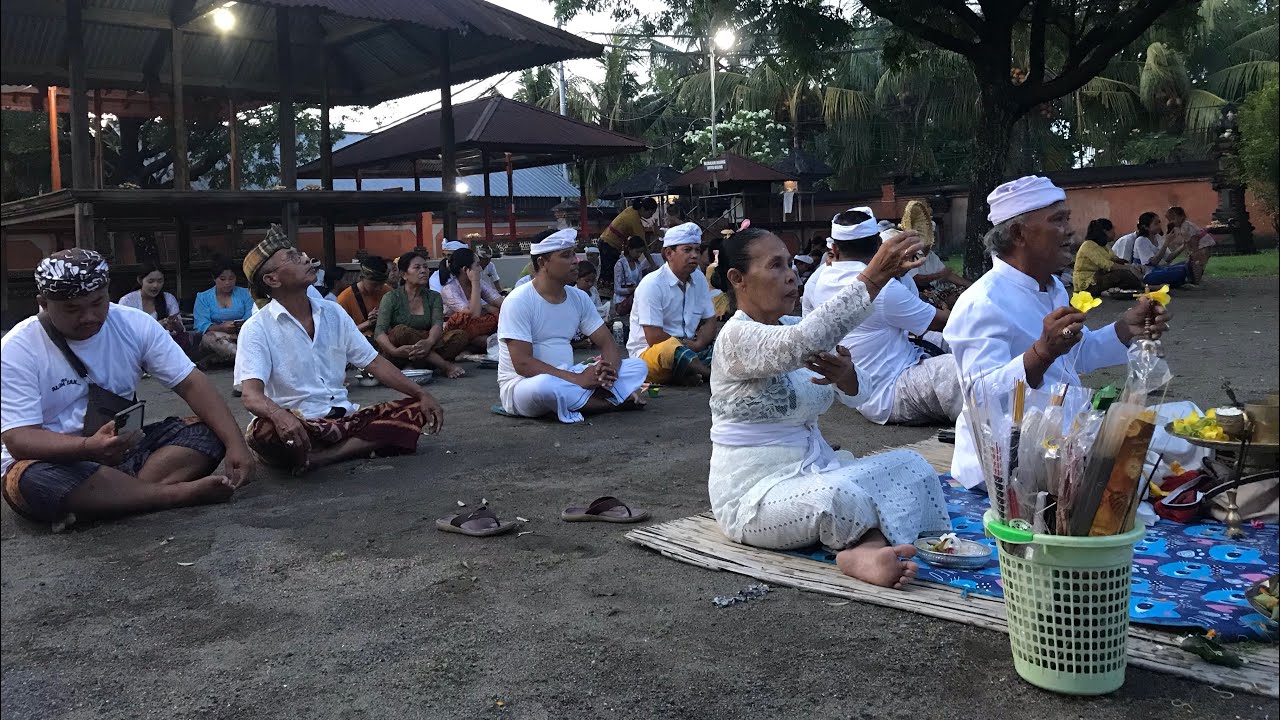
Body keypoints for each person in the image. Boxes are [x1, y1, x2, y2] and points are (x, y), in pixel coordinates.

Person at [707, 226, 947, 588]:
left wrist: (847, 376)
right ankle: (863, 548)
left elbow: (859, 394)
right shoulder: (736, 338)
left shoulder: (794, 326)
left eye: (790, 264)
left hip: (816, 469)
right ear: (738, 279)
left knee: (911, 466)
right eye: (775, 266)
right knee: (838, 496)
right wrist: (873, 276)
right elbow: (802, 342)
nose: (791, 275)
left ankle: (866, 544)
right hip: (754, 497)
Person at [944, 176, 1169, 489]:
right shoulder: (981, 303)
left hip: (1061, 435)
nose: (1070, 230)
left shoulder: (1052, 289)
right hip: (1007, 461)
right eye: (1058, 220)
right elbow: (981, 397)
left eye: (1068, 219)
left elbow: (1075, 354)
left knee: (1169, 428)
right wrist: (1041, 353)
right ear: (1018, 233)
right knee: (1150, 458)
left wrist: (1126, 328)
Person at [1, 249, 255, 527]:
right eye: (73, 309)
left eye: (98, 303)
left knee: (208, 431)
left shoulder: (134, 324)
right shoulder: (17, 348)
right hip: (58, 462)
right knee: (30, 479)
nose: (89, 316)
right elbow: (18, 438)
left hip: (122, 449)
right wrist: (87, 447)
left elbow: (191, 383)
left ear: (108, 291)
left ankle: (112, 499)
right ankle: (172, 494)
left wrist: (236, 445)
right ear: (43, 303)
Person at [235, 234, 444, 475]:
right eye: (293, 257)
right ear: (272, 279)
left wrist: (421, 393)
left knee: (416, 409)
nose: (306, 259)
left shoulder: (332, 312)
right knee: (264, 432)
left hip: (344, 419)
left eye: (301, 254)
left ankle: (324, 456)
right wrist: (281, 417)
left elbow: (374, 362)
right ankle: (347, 447)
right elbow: (251, 396)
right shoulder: (256, 328)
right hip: (297, 425)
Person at [808, 208, 962, 426]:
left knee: (950, 344)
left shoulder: (821, 278)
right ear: (880, 247)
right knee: (962, 367)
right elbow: (944, 323)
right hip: (889, 391)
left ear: (834, 248)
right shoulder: (884, 290)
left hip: (866, 385)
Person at [496, 233, 649, 422]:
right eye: (566, 255)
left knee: (637, 366)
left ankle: (586, 399)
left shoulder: (579, 297)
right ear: (543, 262)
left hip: (569, 374)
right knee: (546, 387)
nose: (576, 261)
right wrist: (578, 379)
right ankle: (611, 403)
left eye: (574, 254)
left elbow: (607, 342)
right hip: (524, 385)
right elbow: (523, 364)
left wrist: (608, 373)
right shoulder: (518, 301)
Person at [627, 222, 718, 385]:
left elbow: (710, 320)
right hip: (651, 354)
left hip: (691, 349)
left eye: (697, 250)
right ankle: (710, 376)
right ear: (669, 253)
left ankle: (690, 371)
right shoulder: (652, 284)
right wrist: (685, 348)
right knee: (670, 349)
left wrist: (698, 344)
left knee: (724, 346)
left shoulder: (699, 278)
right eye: (687, 250)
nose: (695, 255)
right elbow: (654, 336)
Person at [373, 252, 467, 379]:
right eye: (417, 267)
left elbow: (437, 325)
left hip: (427, 344)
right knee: (401, 331)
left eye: (425, 267)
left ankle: (416, 366)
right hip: (399, 351)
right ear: (404, 274)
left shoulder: (433, 296)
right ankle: (444, 366)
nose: (424, 271)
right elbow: (379, 332)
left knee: (460, 335)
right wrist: (393, 351)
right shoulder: (391, 297)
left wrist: (429, 341)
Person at [118, 262, 197, 358]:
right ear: (140, 280)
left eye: (160, 281)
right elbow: (124, 331)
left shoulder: (168, 299)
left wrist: (174, 324)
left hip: (163, 345)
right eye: (151, 281)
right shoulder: (127, 301)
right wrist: (158, 324)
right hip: (136, 346)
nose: (155, 286)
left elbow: (180, 330)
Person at [439, 247, 504, 355]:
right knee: (466, 322)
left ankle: (474, 348)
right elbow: (474, 314)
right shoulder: (449, 289)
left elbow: (502, 303)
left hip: (478, 330)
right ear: (465, 270)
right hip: (457, 333)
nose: (481, 269)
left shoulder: (480, 283)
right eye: (477, 265)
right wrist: (475, 281)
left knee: (499, 313)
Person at [194, 257, 254, 365]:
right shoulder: (203, 297)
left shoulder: (246, 294)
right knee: (210, 338)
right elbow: (200, 325)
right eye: (222, 279)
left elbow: (251, 316)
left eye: (231, 279)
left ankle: (219, 358)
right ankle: (245, 359)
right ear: (214, 278)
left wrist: (238, 326)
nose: (227, 283)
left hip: (241, 335)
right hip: (217, 338)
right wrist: (221, 328)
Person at [1114, 212, 1191, 287]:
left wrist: (1183, 246)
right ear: (1146, 227)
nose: (1159, 226)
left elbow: (1168, 258)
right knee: (1181, 270)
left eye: (1159, 223)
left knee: (1187, 263)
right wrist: (1166, 243)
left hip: (1158, 270)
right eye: (1156, 224)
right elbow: (1153, 262)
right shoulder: (1141, 240)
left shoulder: (1158, 238)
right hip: (1147, 274)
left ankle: (1179, 280)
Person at [599, 197, 658, 289]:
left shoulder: (630, 210)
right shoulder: (634, 220)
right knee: (609, 274)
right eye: (650, 213)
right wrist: (653, 264)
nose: (650, 217)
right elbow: (644, 245)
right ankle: (606, 294)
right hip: (610, 245)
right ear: (643, 209)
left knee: (607, 273)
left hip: (606, 241)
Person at [1073, 219, 1144, 295]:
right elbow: (1108, 265)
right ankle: (1146, 287)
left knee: (1127, 273)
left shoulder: (1104, 245)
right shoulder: (1088, 246)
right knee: (1121, 274)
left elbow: (1115, 259)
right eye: (1112, 230)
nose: (1114, 233)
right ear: (1105, 231)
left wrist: (1133, 266)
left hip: (1100, 277)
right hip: (1088, 283)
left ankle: (1140, 287)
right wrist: (1129, 268)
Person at [335, 255, 392, 339]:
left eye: (382, 284)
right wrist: (369, 323)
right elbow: (340, 335)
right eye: (374, 285)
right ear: (361, 278)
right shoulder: (344, 299)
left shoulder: (388, 292)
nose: (379, 288)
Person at [612, 236, 656, 336]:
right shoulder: (620, 264)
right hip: (622, 302)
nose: (639, 255)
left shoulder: (638, 264)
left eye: (641, 252)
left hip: (635, 298)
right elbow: (617, 289)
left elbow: (640, 282)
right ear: (630, 249)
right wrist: (634, 289)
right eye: (637, 252)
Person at [1164, 206, 1213, 284]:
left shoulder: (1185, 227)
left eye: (1173, 219)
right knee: (1197, 263)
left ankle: (1196, 281)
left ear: (1181, 217)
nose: (1171, 222)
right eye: (1169, 220)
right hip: (1205, 245)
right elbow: (1188, 241)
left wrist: (1193, 251)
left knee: (1196, 264)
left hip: (1202, 246)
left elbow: (1194, 239)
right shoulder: (1184, 226)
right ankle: (1195, 280)